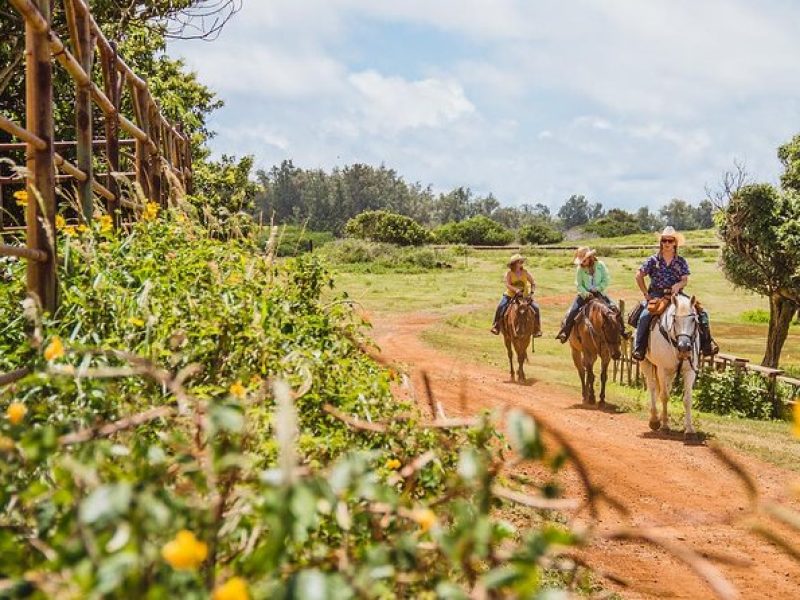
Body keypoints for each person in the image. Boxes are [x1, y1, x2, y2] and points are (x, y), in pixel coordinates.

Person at [631, 226, 717, 360]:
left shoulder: (681, 261)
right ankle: (639, 349)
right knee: (644, 316)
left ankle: (707, 345)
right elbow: (638, 275)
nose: (666, 244)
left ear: (675, 243)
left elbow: (685, 280)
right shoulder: (653, 260)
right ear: (661, 242)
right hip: (657, 295)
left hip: (677, 295)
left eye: (670, 241)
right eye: (664, 240)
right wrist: (645, 294)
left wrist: (678, 285)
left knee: (702, 312)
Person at [555, 247, 616, 343]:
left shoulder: (600, 265)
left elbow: (606, 279)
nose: (582, 263)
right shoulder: (580, 269)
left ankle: (620, 332)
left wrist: (598, 288)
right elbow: (578, 284)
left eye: (584, 260)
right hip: (584, 295)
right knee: (573, 311)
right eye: (581, 261)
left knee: (614, 309)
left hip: (599, 293)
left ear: (590, 257)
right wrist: (586, 293)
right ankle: (565, 332)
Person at [490, 253, 540, 335]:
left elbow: (533, 282)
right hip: (510, 296)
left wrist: (532, 292)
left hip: (524, 297)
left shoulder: (525, 272)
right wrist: (515, 290)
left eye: (521, 262)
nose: (521, 263)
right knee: (501, 306)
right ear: (514, 263)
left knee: (536, 308)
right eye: (519, 262)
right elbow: (507, 284)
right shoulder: (509, 273)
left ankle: (537, 328)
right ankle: (496, 326)